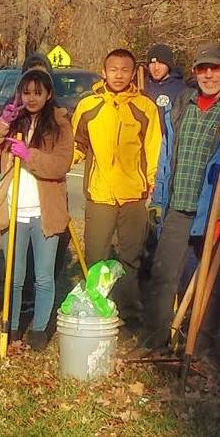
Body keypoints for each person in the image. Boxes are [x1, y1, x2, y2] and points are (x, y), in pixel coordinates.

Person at [142, 44, 220, 356]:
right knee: (163, 274)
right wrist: (159, 197)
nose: (208, 75)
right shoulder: (183, 102)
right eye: (202, 69)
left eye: (215, 68)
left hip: (214, 208)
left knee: (209, 283)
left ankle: (199, 349)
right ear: (194, 72)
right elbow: (167, 154)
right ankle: (157, 342)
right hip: (178, 204)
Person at [0, 68, 75, 351]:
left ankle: (41, 329)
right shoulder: (11, 122)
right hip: (13, 210)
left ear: (48, 95)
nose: (31, 98)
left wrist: (30, 156)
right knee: (14, 276)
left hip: (44, 212)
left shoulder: (60, 124)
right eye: (26, 92)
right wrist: (2, 123)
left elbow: (60, 165)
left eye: (37, 93)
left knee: (43, 276)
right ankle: (13, 324)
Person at [72, 49, 162, 327]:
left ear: (133, 73)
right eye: (114, 69)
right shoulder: (88, 106)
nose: (119, 75)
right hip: (100, 193)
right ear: (104, 71)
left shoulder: (145, 107)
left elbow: (153, 148)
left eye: (125, 70)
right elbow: (76, 146)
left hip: (133, 195)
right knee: (96, 256)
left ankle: (129, 313)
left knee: (130, 257)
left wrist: (152, 185)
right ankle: (96, 309)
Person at [144, 44, 187, 113]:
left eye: (161, 63)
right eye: (152, 63)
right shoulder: (142, 87)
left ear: (168, 65)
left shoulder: (181, 90)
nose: (156, 68)